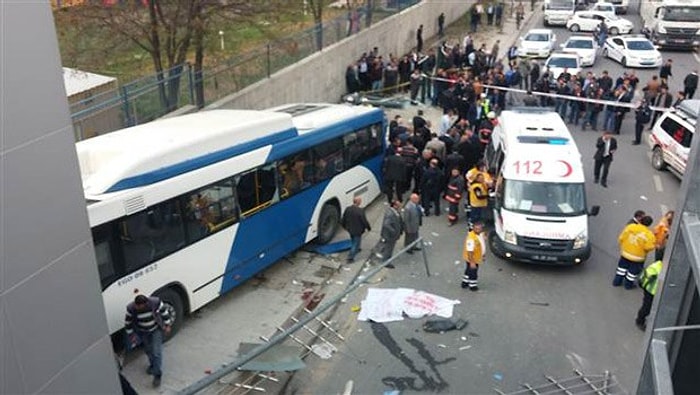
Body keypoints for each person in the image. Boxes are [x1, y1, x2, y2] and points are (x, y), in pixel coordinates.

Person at [125, 294, 173, 387]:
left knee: (156, 352)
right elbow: (128, 323)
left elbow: (164, 313)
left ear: (146, 303)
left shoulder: (155, 303)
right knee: (148, 350)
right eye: (136, 306)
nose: (138, 308)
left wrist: (167, 325)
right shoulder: (131, 309)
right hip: (143, 332)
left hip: (155, 330)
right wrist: (131, 335)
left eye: (140, 306)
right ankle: (153, 365)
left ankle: (157, 375)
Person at [613, 215, 656, 289]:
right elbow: (648, 247)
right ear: (649, 224)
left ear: (641, 220)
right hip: (638, 257)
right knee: (632, 273)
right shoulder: (649, 235)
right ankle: (628, 285)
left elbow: (621, 238)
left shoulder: (631, 227)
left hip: (625, 253)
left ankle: (617, 282)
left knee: (621, 268)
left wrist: (624, 246)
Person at [375, 199, 404, 269]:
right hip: (390, 236)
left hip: (391, 235)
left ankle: (382, 254)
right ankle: (386, 262)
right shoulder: (390, 214)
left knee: (388, 247)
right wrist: (393, 231)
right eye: (398, 205)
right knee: (389, 248)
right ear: (394, 206)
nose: (400, 206)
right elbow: (386, 224)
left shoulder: (395, 211)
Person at [341, 196, 371, 263]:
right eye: (360, 201)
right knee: (355, 243)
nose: (361, 202)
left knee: (353, 240)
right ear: (358, 202)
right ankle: (350, 258)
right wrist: (368, 228)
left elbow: (344, 218)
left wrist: (345, 227)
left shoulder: (348, 209)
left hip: (350, 229)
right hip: (357, 230)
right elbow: (364, 221)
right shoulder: (360, 211)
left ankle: (358, 248)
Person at [635, 260, 663, 331]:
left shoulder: (659, 265)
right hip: (650, 292)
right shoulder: (657, 266)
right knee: (647, 308)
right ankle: (640, 321)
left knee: (649, 307)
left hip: (656, 291)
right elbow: (646, 276)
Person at [462, 220, 486, 291]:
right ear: (473, 228)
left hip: (476, 257)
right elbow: (470, 252)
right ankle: (472, 286)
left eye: (480, 229)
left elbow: (482, 244)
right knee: (473, 272)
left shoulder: (480, 234)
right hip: (472, 258)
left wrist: (483, 255)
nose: (478, 230)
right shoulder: (471, 239)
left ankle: (465, 282)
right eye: (476, 229)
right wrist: (472, 262)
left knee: (468, 270)